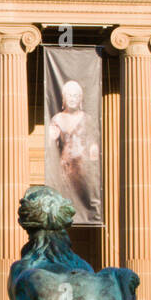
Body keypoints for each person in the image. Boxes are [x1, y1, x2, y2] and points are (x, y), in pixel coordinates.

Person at [47, 80, 99, 214]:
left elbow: (94, 141)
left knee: (84, 205)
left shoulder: (87, 119)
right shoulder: (57, 119)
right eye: (69, 95)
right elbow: (51, 147)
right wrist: (51, 138)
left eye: (76, 96)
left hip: (83, 170)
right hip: (65, 169)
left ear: (80, 99)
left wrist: (94, 149)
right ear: (64, 98)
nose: (72, 99)